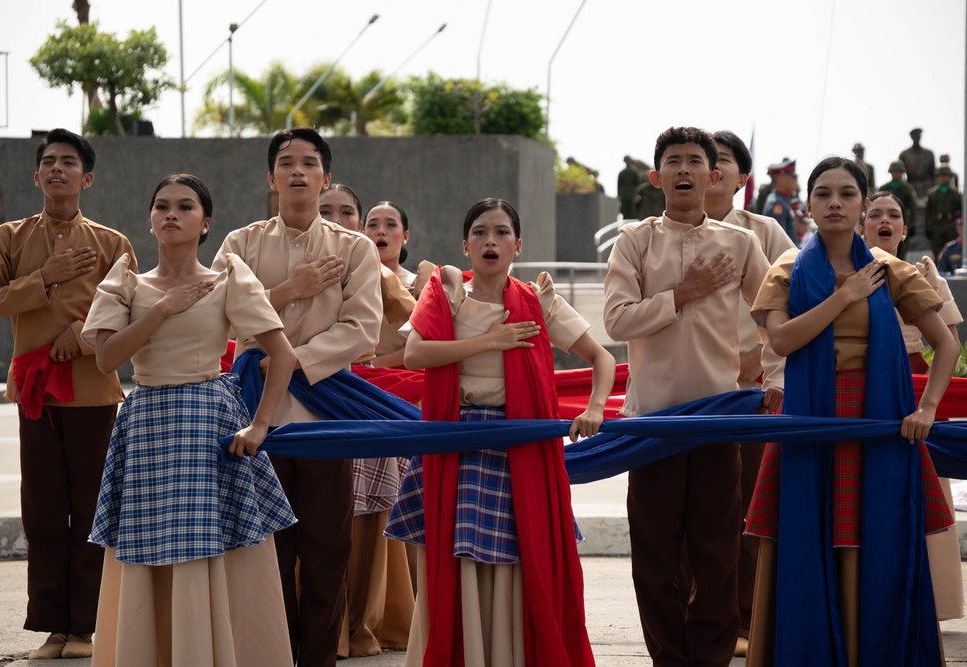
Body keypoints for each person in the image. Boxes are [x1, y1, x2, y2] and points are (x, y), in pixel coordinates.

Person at [744, 156, 959, 666]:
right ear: (810, 204)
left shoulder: (893, 270)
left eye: (846, 194)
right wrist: (845, 296)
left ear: (863, 203)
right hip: (810, 418)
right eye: (823, 194)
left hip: (878, 419)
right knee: (806, 534)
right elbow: (782, 340)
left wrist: (927, 408)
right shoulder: (789, 267)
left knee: (875, 539)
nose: (834, 203)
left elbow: (945, 346)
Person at [386, 197, 614, 665]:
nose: (491, 240)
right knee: (459, 559)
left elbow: (603, 359)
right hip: (458, 440)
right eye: (480, 233)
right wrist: (491, 340)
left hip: (521, 445)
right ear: (465, 245)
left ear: (517, 245)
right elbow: (414, 355)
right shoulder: (446, 292)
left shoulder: (538, 298)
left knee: (520, 557)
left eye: (502, 232)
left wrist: (594, 408)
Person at [82, 174, 298, 665]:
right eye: (162, 206)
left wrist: (260, 426)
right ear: (150, 218)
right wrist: (160, 309)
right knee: (143, 549)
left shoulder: (227, 279)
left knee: (213, 549)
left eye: (184, 206)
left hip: (209, 424)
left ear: (206, 222)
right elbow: (105, 358)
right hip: (147, 423)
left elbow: (282, 356)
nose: (171, 215)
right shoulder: (126, 282)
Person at [603, 127, 782, 667]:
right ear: (656, 177)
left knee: (717, 554)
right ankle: (668, 659)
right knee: (654, 557)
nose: (685, 170)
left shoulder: (742, 243)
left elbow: (774, 322)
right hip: (652, 424)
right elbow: (615, 319)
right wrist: (681, 295)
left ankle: (708, 658)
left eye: (695, 162)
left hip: (717, 420)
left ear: (714, 176)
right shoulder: (634, 241)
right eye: (674, 162)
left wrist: (773, 380)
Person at [212, 127, 382, 667]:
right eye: (287, 162)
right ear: (271, 177)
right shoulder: (240, 245)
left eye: (310, 163)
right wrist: (289, 291)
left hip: (325, 416)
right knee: (269, 550)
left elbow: (363, 329)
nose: (298, 171)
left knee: (329, 549)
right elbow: (214, 315)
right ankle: (273, 655)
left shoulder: (355, 248)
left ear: (325, 176)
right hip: (255, 417)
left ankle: (319, 659)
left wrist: (293, 361)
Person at [0, 128, 136, 661]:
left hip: (92, 395)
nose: (57, 169)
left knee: (91, 511)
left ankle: (85, 628)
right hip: (35, 395)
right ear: (36, 175)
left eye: (68, 162)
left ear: (87, 178)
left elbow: (127, 314)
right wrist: (43, 277)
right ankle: (51, 627)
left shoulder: (113, 243)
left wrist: (80, 337)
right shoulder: (10, 238)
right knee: (41, 512)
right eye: (48, 162)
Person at [317, 183, 417, 658]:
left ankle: (358, 626)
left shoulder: (374, 270)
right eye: (326, 211)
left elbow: (420, 328)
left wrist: (379, 369)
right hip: (303, 403)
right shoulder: (287, 258)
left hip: (362, 405)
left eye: (346, 212)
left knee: (368, 518)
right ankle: (316, 628)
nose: (338, 219)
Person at [704, 130, 791, 659]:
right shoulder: (658, 235)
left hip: (753, 396)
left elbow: (790, 306)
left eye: (721, 162)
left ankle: (747, 620)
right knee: (697, 515)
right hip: (690, 397)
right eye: (697, 160)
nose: (709, 170)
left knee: (749, 512)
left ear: (741, 178)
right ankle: (702, 616)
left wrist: (767, 373)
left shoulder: (765, 231)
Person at [860, 190, 965, 624]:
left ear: (905, 228)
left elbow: (948, 344)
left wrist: (928, 404)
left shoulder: (926, 274)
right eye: (875, 214)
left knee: (922, 499)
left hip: (912, 392)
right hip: (860, 391)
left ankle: (929, 603)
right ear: (860, 224)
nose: (885, 221)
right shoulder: (844, 273)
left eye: (894, 215)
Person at [364, 200, 436, 300]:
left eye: (390, 225)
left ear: (405, 236)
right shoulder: (349, 281)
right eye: (372, 225)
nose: (381, 231)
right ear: (362, 235)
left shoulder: (422, 285)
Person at [878, 160, 919, 249]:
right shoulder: (884, 188)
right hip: (886, 220)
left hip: (903, 221)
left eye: (898, 172)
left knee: (902, 248)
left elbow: (913, 207)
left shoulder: (908, 188)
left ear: (902, 173)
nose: (896, 174)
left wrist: (913, 225)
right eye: (894, 172)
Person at [925, 165, 963, 259]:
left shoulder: (956, 194)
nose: (944, 178)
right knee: (937, 253)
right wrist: (928, 227)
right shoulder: (932, 194)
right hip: (937, 227)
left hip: (951, 227)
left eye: (946, 176)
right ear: (938, 177)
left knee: (952, 252)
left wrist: (960, 227)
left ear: (950, 177)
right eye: (941, 176)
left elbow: (962, 211)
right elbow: (928, 212)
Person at [762, 158, 801, 245]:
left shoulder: (783, 200)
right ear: (782, 179)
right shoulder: (777, 203)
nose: (796, 180)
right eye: (793, 177)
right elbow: (778, 240)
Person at [900, 127, 937, 199]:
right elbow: (900, 173)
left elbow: (933, 173)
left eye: (918, 136)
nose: (917, 138)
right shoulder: (904, 154)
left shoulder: (929, 153)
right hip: (910, 185)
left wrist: (933, 187)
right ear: (911, 137)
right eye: (915, 136)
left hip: (926, 186)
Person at [618, 155, 643, 219]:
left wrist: (638, 194)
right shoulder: (622, 173)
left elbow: (638, 184)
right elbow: (619, 185)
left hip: (633, 194)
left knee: (633, 211)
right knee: (625, 210)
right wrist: (619, 195)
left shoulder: (635, 172)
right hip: (624, 194)